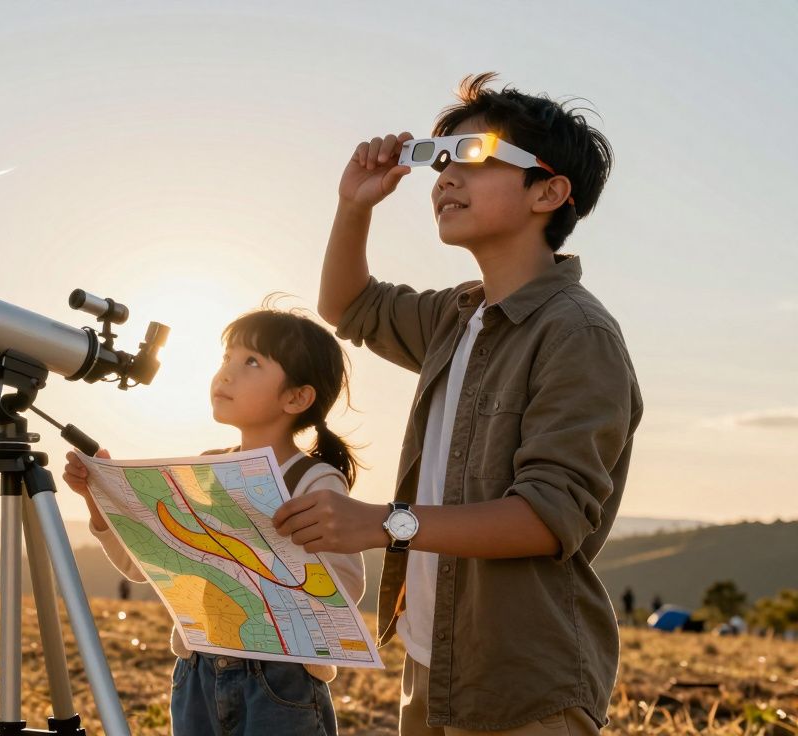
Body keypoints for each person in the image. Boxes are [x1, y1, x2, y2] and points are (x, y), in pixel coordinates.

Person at [276, 73, 642, 735]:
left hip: (525, 683)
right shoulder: (457, 315)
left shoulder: (577, 335)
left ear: (549, 191)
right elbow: (346, 306)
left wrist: (384, 523)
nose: (445, 178)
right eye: (440, 162)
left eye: (474, 158)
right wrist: (354, 204)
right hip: (432, 664)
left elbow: (546, 518)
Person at [64, 308, 366, 736]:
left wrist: (271, 554)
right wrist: (100, 502)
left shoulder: (314, 480)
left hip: (281, 681)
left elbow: (346, 587)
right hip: (196, 672)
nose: (225, 374)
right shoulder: (203, 471)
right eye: (226, 358)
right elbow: (143, 567)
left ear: (296, 398)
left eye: (251, 362)